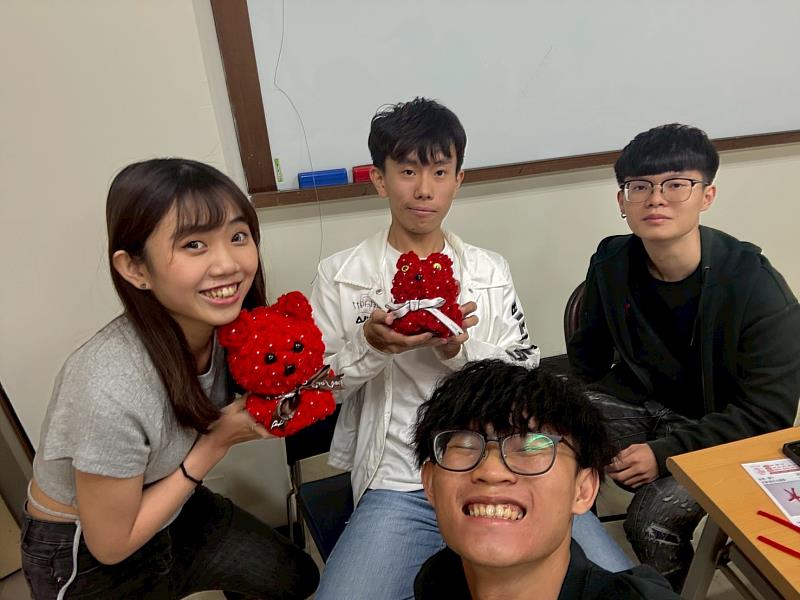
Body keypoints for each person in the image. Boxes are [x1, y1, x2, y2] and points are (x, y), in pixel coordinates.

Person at [310, 97, 631, 600]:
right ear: (379, 179)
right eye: (407, 171)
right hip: (400, 483)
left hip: (508, 468)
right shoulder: (341, 276)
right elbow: (314, 393)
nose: (424, 189)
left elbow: (524, 369)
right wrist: (370, 346)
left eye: (440, 172)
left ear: (458, 180)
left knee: (616, 587)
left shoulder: (488, 271)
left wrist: (459, 351)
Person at [21, 159, 319, 600]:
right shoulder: (107, 385)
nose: (228, 264)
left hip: (175, 504)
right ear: (135, 269)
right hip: (84, 548)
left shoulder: (232, 328)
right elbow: (111, 545)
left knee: (295, 576)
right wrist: (216, 443)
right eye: (194, 244)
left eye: (238, 237)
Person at [567, 123, 800, 588]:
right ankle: (572, 573)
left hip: (720, 425)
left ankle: (664, 593)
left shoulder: (754, 287)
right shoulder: (611, 261)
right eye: (640, 186)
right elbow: (587, 360)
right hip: (643, 403)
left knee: (651, 520)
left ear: (706, 196)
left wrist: (662, 453)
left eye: (676, 185)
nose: (656, 199)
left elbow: (769, 414)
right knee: (554, 447)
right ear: (622, 201)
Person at [412, 359, 679, 599]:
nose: (491, 471)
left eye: (530, 447)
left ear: (583, 489)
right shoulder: (436, 580)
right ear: (430, 482)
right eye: (466, 445)